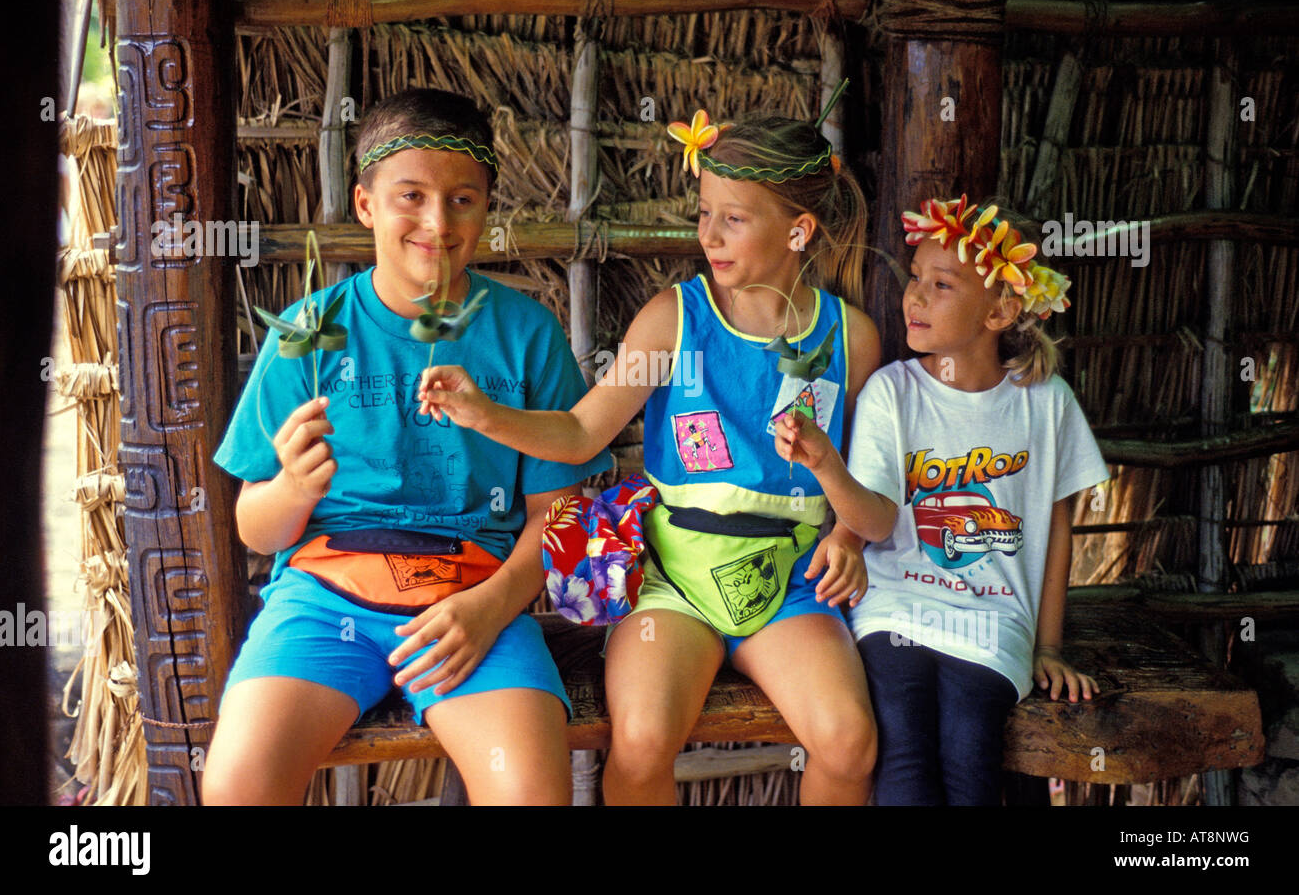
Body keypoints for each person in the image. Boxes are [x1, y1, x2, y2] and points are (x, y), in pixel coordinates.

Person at [419, 104, 882, 804]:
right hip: (676, 583)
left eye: (734, 218)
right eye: (704, 213)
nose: (709, 235)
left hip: (787, 581)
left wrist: (846, 535)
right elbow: (580, 434)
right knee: (639, 741)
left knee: (850, 741)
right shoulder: (675, 321)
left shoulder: (851, 340)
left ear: (798, 229)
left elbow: (866, 479)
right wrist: (485, 414)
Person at [201, 88, 610, 805]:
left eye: (462, 200)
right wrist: (293, 489)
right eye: (410, 196)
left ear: (488, 207)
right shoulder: (309, 332)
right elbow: (253, 527)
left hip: (476, 601)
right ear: (364, 204)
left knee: (531, 796)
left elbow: (562, 514)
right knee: (239, 786)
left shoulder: (527, 336)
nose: (436, 222)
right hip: (325, 603)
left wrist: (488, 610)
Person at [774, 195, 1107, 805]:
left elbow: (1057, 530)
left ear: (1002, 309)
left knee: (970, 750)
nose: (915, 297)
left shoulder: (1045, 402)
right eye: (915, 280)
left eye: (941, 284)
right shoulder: (891, 394)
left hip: (993, 621)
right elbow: (875, 522)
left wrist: (1049, 647)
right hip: (894, 610)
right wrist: (825, 462)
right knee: (902, 756)